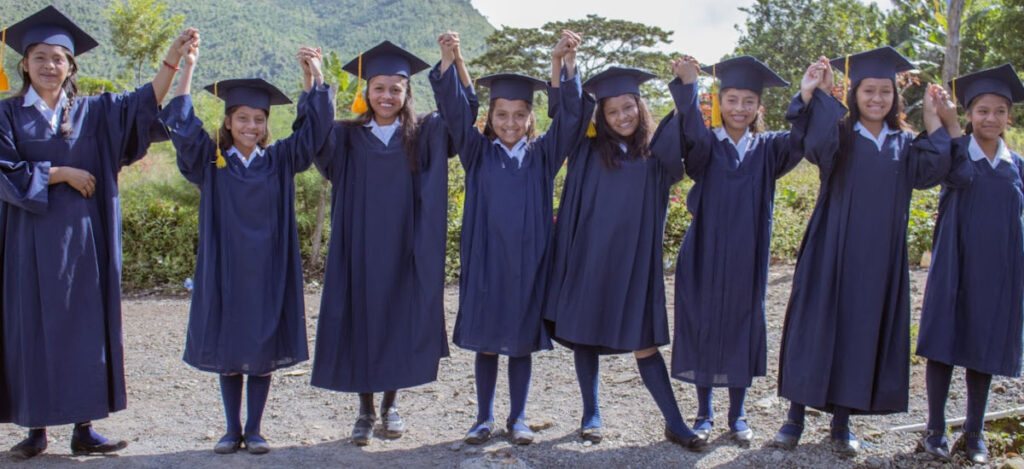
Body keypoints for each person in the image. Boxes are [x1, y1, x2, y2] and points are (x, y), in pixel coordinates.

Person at [0, 5, 194, 459]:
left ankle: (83, 427)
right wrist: (61, 172)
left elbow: (143, 104)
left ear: (72, 66)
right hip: (28, 243)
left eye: (59, 59)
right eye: (41, 57)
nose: (50, 66)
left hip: (85, 243)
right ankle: (35, 429)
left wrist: (173, 59)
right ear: (24, 64)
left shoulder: (94, 111)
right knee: (32, 330)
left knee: (84, 329)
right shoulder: (7, 115)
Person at [772, 46, 960, 454]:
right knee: (815, 326)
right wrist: (817, 95)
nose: (876, 99)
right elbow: (812, 146)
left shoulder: (904, 143)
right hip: (830, 248)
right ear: (854, 93)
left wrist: (934, 122)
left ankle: (842, 423)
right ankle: (794, 417)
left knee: (859, 331)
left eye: (885, 92)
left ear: (895, 97)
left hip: (878, 259)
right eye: (868, 91)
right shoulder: (840, 134)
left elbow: (932, 172)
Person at [159, 39, 333, 454]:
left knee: (261, 345)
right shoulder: (211, 161)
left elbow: (313, 132)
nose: (251, 126)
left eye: (258, 119)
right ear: (229, 120)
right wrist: (186, 69)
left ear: (266, 123)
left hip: (269, 269)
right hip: (225, 271)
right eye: (242, 118)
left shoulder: (280, 161)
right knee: (230, 346)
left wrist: (314, 77)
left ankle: (255, 428)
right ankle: (229, 428)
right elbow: (183, 128)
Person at [430, 30, 589, 445]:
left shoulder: (543, 156)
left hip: (528, 265)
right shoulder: (476, 152)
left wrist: (561, 63)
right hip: (485, 261)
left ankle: (517, 418)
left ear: (531, 118)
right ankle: (482, 417)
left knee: (520, 344)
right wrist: (452, 59)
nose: (511, 123)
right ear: (489, 119)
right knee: (486, 343)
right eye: (502, 115)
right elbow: (452, 111)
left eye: (520, 115)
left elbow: (571, 119)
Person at [542, 63, 706, 451]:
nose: (622, 117)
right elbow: (566, 111)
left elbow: (691, 134)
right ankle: (591, 414)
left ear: (639, 105)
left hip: (634, 263)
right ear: (602, 115)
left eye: (628, 107)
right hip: (587, 257)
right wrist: (564, 68)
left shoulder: (657, 154)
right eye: (612, 111)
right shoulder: (584, 149)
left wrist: (689, 86)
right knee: (584, 335)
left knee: (644, 342)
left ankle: (675, 422)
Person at [669, 55, 821, 444]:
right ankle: (703, 413)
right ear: (720, 102)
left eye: (748, 101)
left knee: (741, 326)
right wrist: (688, 87)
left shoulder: (770, 150)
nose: (739, 108)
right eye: (731, 99)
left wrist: (805, 95)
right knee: (704, 327)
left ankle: (737, 416)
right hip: (704, 253)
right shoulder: (706, 146)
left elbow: (801, 140)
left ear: (759, 107)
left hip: (746, 257)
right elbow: (689, 134)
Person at [309, 40, 453, 446]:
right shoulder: (346, 137)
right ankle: (364, 410)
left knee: (398, 322)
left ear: (407, 92)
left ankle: (390, 405)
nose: (387, 96)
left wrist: (449, 63)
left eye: (396, 88)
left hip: (406, 248)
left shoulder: (425, 134)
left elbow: (462, 117)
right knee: (363, 323)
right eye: (379, 88)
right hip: (359, 251)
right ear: (365, 92)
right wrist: (318, 80)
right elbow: (315, 139)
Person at [915, 63, 1023, 465]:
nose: (990, 118)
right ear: (969, 115)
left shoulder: (1018, 166)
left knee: (986, 344)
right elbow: (957, 174)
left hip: (999, 271)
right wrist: (945, 121)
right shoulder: (956, 152)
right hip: (955, 264)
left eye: (999, 111)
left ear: (1008, 117)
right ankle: (935, 430)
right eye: (982, 111)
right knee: (944, 340)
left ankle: (974, 432)